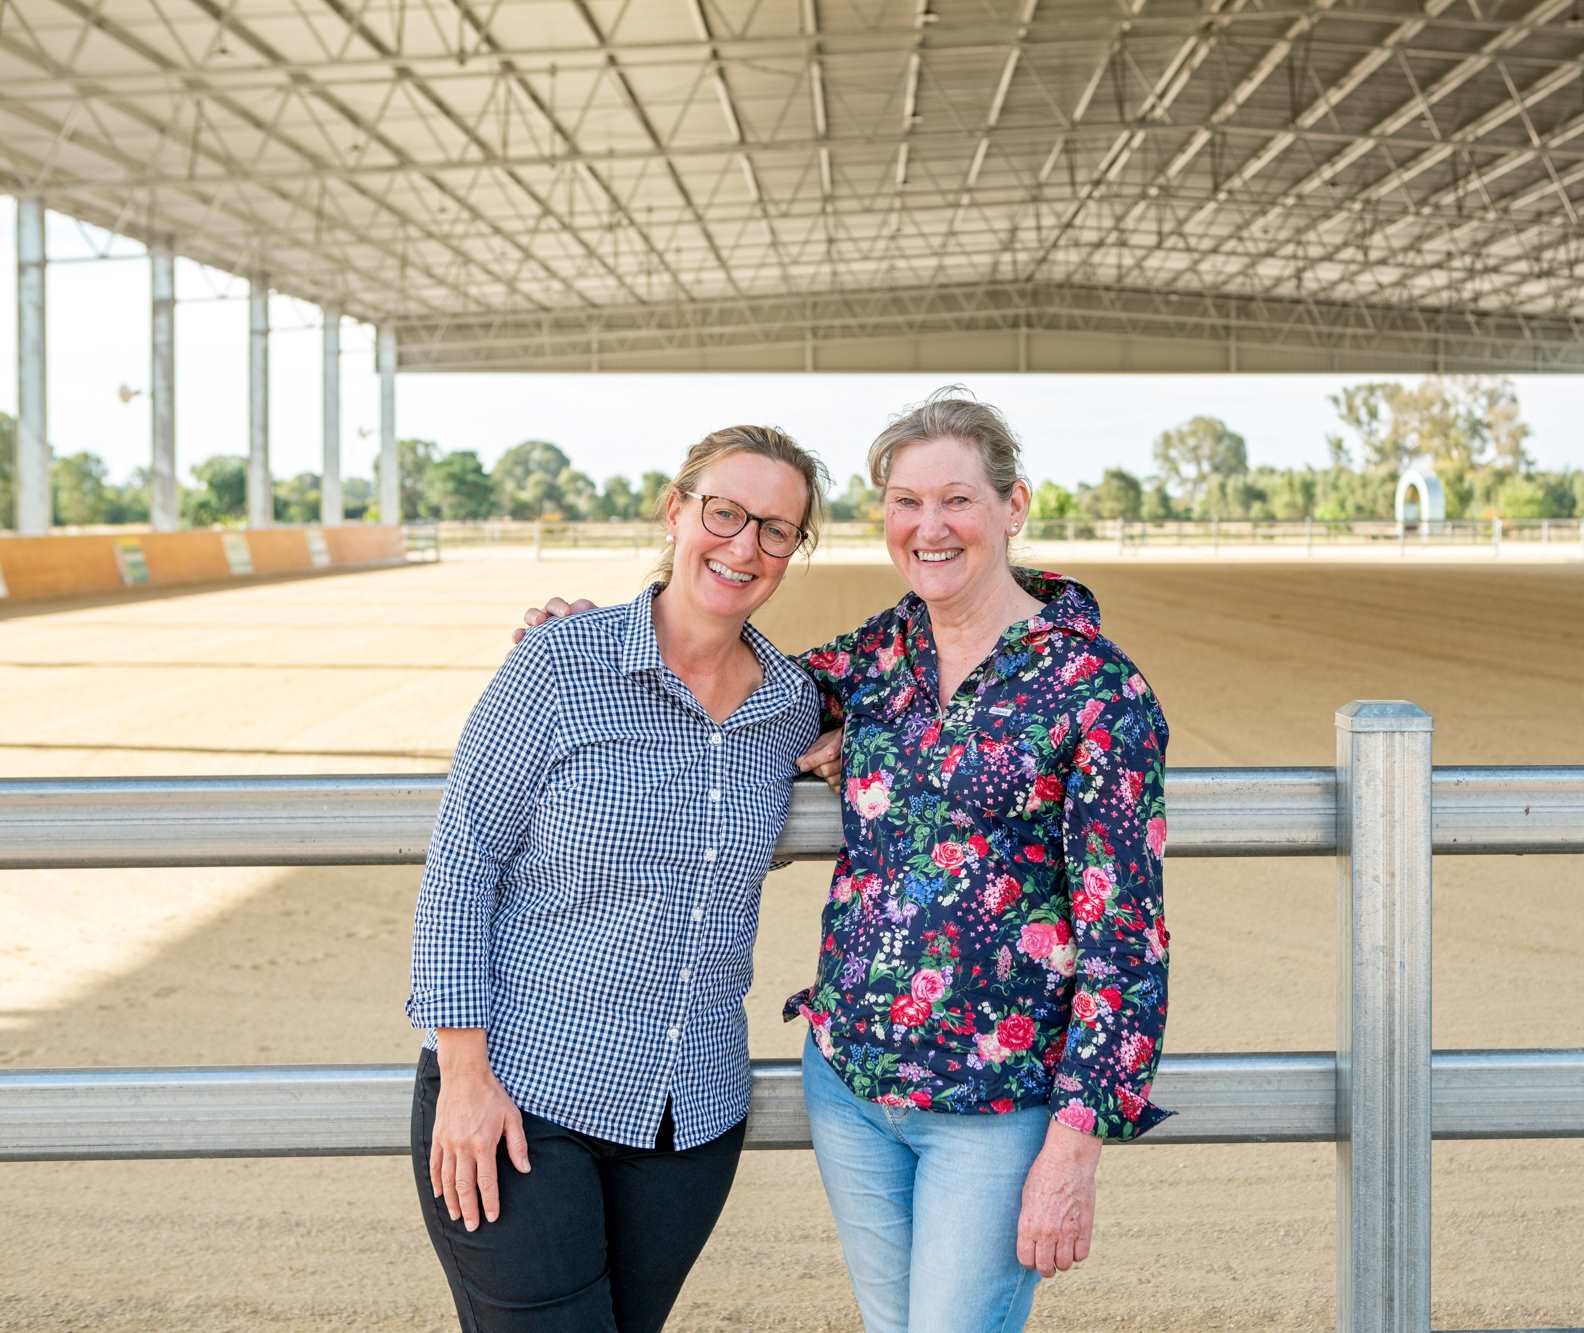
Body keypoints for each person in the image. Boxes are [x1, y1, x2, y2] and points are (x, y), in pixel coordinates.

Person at [518, 391, 1172, 1333]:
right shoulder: (877, 656)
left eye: (957, 500)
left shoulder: (1096, 687)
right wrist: (593, 632)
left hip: (995, 1103)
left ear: (1013, 506)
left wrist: (1075, 1145)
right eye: (905, 502)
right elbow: (720, 677)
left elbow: (1127, 936)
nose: (928, 526)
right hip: (852, 1083)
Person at [407, 425, 832, 1333]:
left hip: (689, 1120)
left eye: (777, 529)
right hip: (524, 1098)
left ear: (795, 550)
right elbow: (460, 868)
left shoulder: (792, 704)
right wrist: (464, 1079)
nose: (744, 545)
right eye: (726, 513)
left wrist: (842, 745)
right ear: (677, 512)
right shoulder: (561, 663)